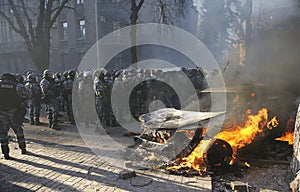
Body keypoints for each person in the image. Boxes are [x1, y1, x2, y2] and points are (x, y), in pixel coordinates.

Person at [0, 73, 27, 159]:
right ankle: (23, 148)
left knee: (3, 132)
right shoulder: (16, 85)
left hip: (1, 112)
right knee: (18, 129)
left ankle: (5, 153)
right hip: (14, 111)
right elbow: (27, 95)